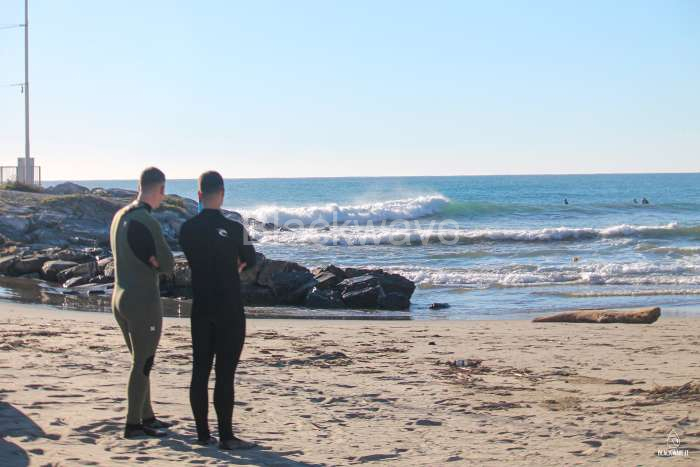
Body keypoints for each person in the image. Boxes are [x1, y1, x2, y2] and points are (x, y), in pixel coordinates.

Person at [179, 171, 257, 450]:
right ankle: (226, 436)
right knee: (225, 374)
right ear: (222, 194)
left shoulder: (187, 229)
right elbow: (251, 260)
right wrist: (236, 265)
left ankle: (202, 435)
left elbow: (193, 256)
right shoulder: (236, 228)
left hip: (201, 306)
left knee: (200, 371)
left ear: (199, 195)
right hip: (229, 307)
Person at [110, 167, 175, 439]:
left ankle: (147, 416)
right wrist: (155, 262)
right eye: (163, 192)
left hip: (119, 297)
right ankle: (133, 423)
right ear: (160, 189)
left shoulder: (119, 216)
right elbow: (168, 263)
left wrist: (152, 260)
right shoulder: (147, 221)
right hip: (142, 301)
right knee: (143, 363)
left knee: (140, 360)